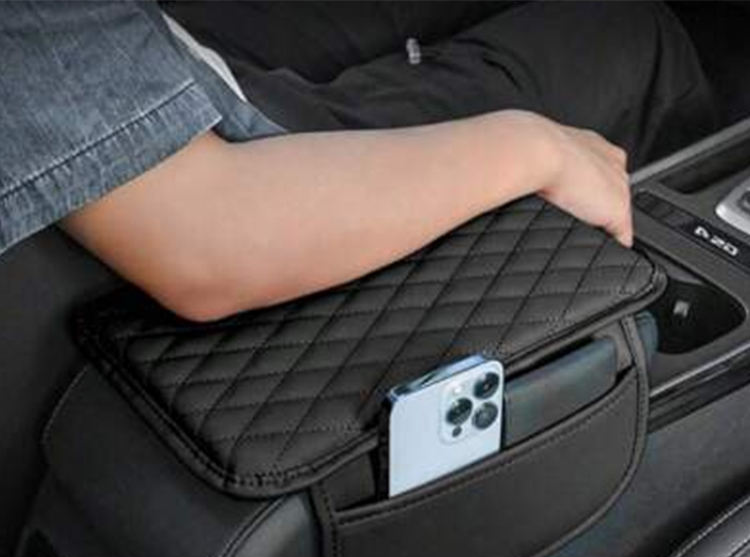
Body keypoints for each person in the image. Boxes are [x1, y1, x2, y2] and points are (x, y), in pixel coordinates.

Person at [0, 1, 716, 322]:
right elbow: (202, 243)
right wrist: (536, 148)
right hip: (234, 179)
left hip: (147, 45)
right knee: (629, 30)